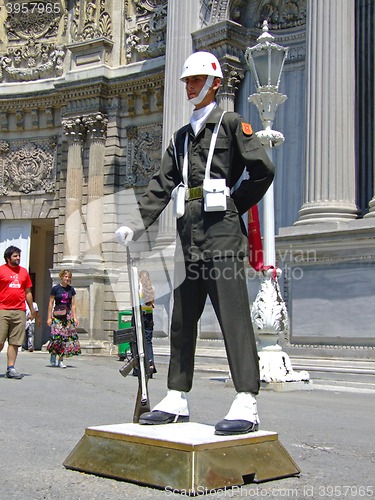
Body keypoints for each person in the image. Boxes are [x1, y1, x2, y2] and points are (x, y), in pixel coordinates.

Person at [115, 51, 275, 435]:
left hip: (222, 232)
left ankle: (246, 400)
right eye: (187, 80)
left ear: (215, 83)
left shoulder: (232, 123)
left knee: (232, 315)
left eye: (197, 79)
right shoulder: (181, 138)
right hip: (189, 232)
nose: (190, 85)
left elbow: (263, 169)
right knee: (182, 318)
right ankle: (176, 395)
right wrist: (135, 225)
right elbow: (162, 184)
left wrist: (236, 204)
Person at [0, 245, 35, 379]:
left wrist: (31, 310)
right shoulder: (1, 270)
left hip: (19, 310)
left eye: (19, 256)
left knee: (14, 342)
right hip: (2, 309)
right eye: (15, 256)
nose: (18, 258)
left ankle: (11, 368)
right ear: (8, 258)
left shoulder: (24, 272)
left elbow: (28, 292)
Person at [46, 269, 81, 368]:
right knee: (56, 337)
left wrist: (74, 317)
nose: (67, 279)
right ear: (61, 277)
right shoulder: (56, 288)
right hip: (57, 315)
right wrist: (49, 317)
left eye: (68, 277)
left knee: (64, 338)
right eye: (65, 276)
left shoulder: (71, 290)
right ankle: (53, 353)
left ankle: (61, 360)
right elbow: (50, 303)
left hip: (67, 315)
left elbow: (73, 304)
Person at [133, 270, 157, 377]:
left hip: (139, 315)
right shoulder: (152, 288)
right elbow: (152, 303)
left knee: (136, 341)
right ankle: (150, 364)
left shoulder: (137, 288)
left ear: (139, 278)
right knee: (148, 342)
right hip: (149, 316)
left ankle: (137, 368)